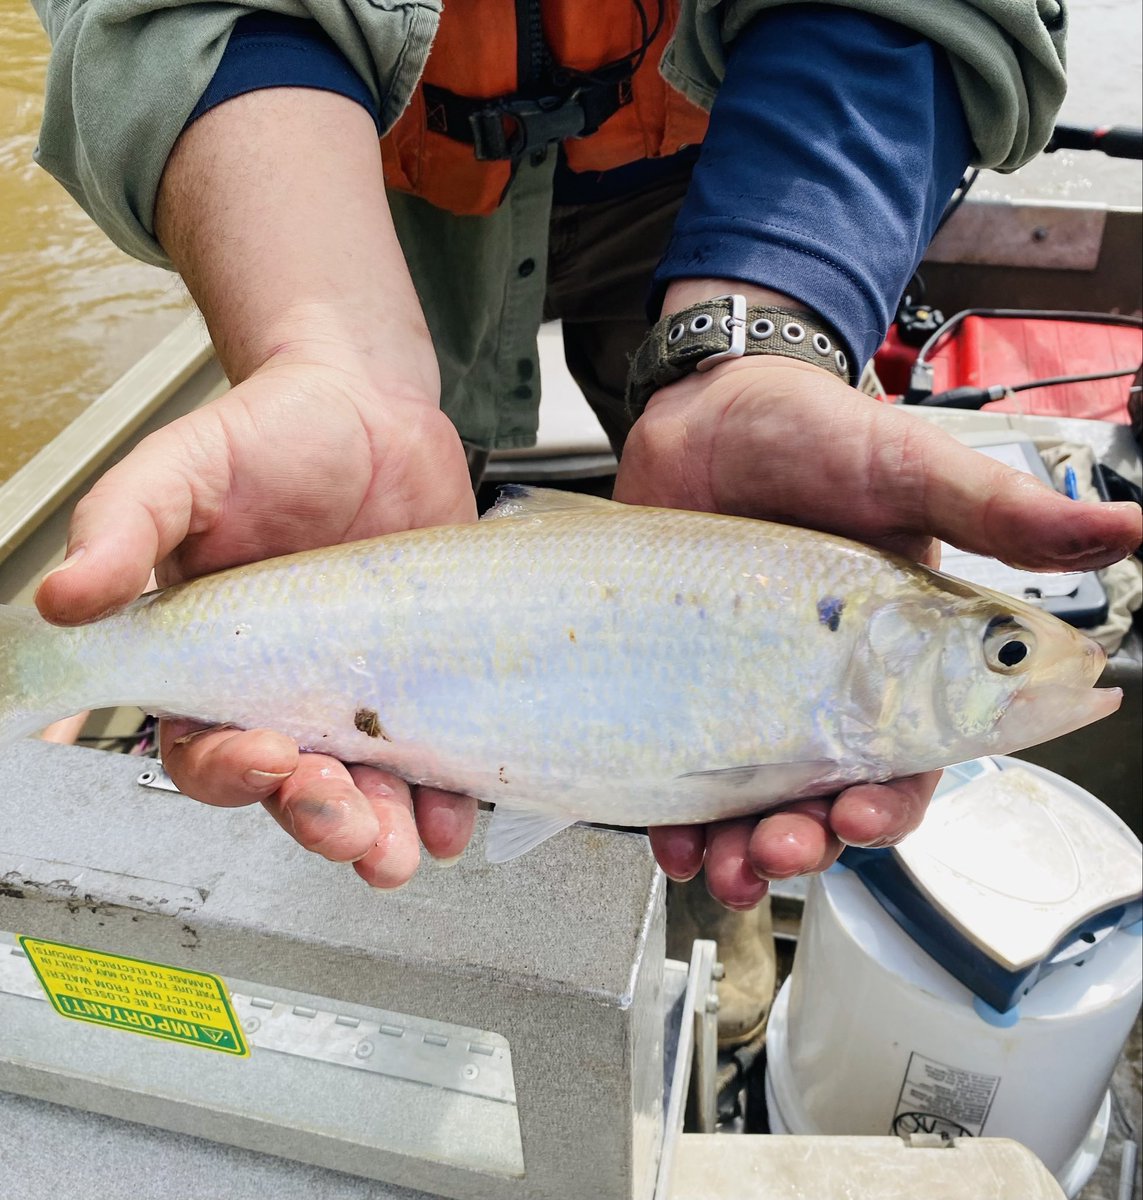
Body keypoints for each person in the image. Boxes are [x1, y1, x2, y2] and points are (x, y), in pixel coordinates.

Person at [28, 1, 1140, 1044]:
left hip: (736, 164)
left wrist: (767, 323)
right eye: (1003, 652)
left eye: (1005, 650)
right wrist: (324, 351)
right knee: (387, 469)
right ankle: (408, 887)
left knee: (687, 478)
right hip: (339, 177)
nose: (1029, 668)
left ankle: (694, 914)